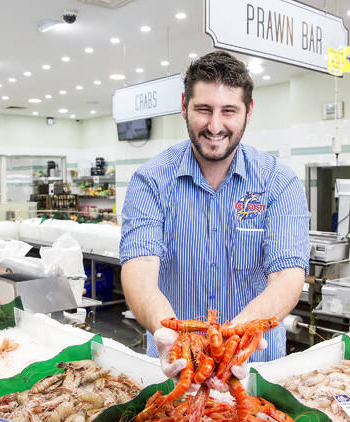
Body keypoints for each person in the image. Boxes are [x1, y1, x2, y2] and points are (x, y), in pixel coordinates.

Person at [119, 51, 310, 387]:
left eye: (229, 111)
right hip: (174, 364)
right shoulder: (150, 180)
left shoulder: (278, 182)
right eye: (204, 109)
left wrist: (237, 338)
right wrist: (169, 334)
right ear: (184, 106)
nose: (215, 125)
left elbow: (287, 274)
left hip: (254, 369)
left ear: (249, 112)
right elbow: (140, 268)